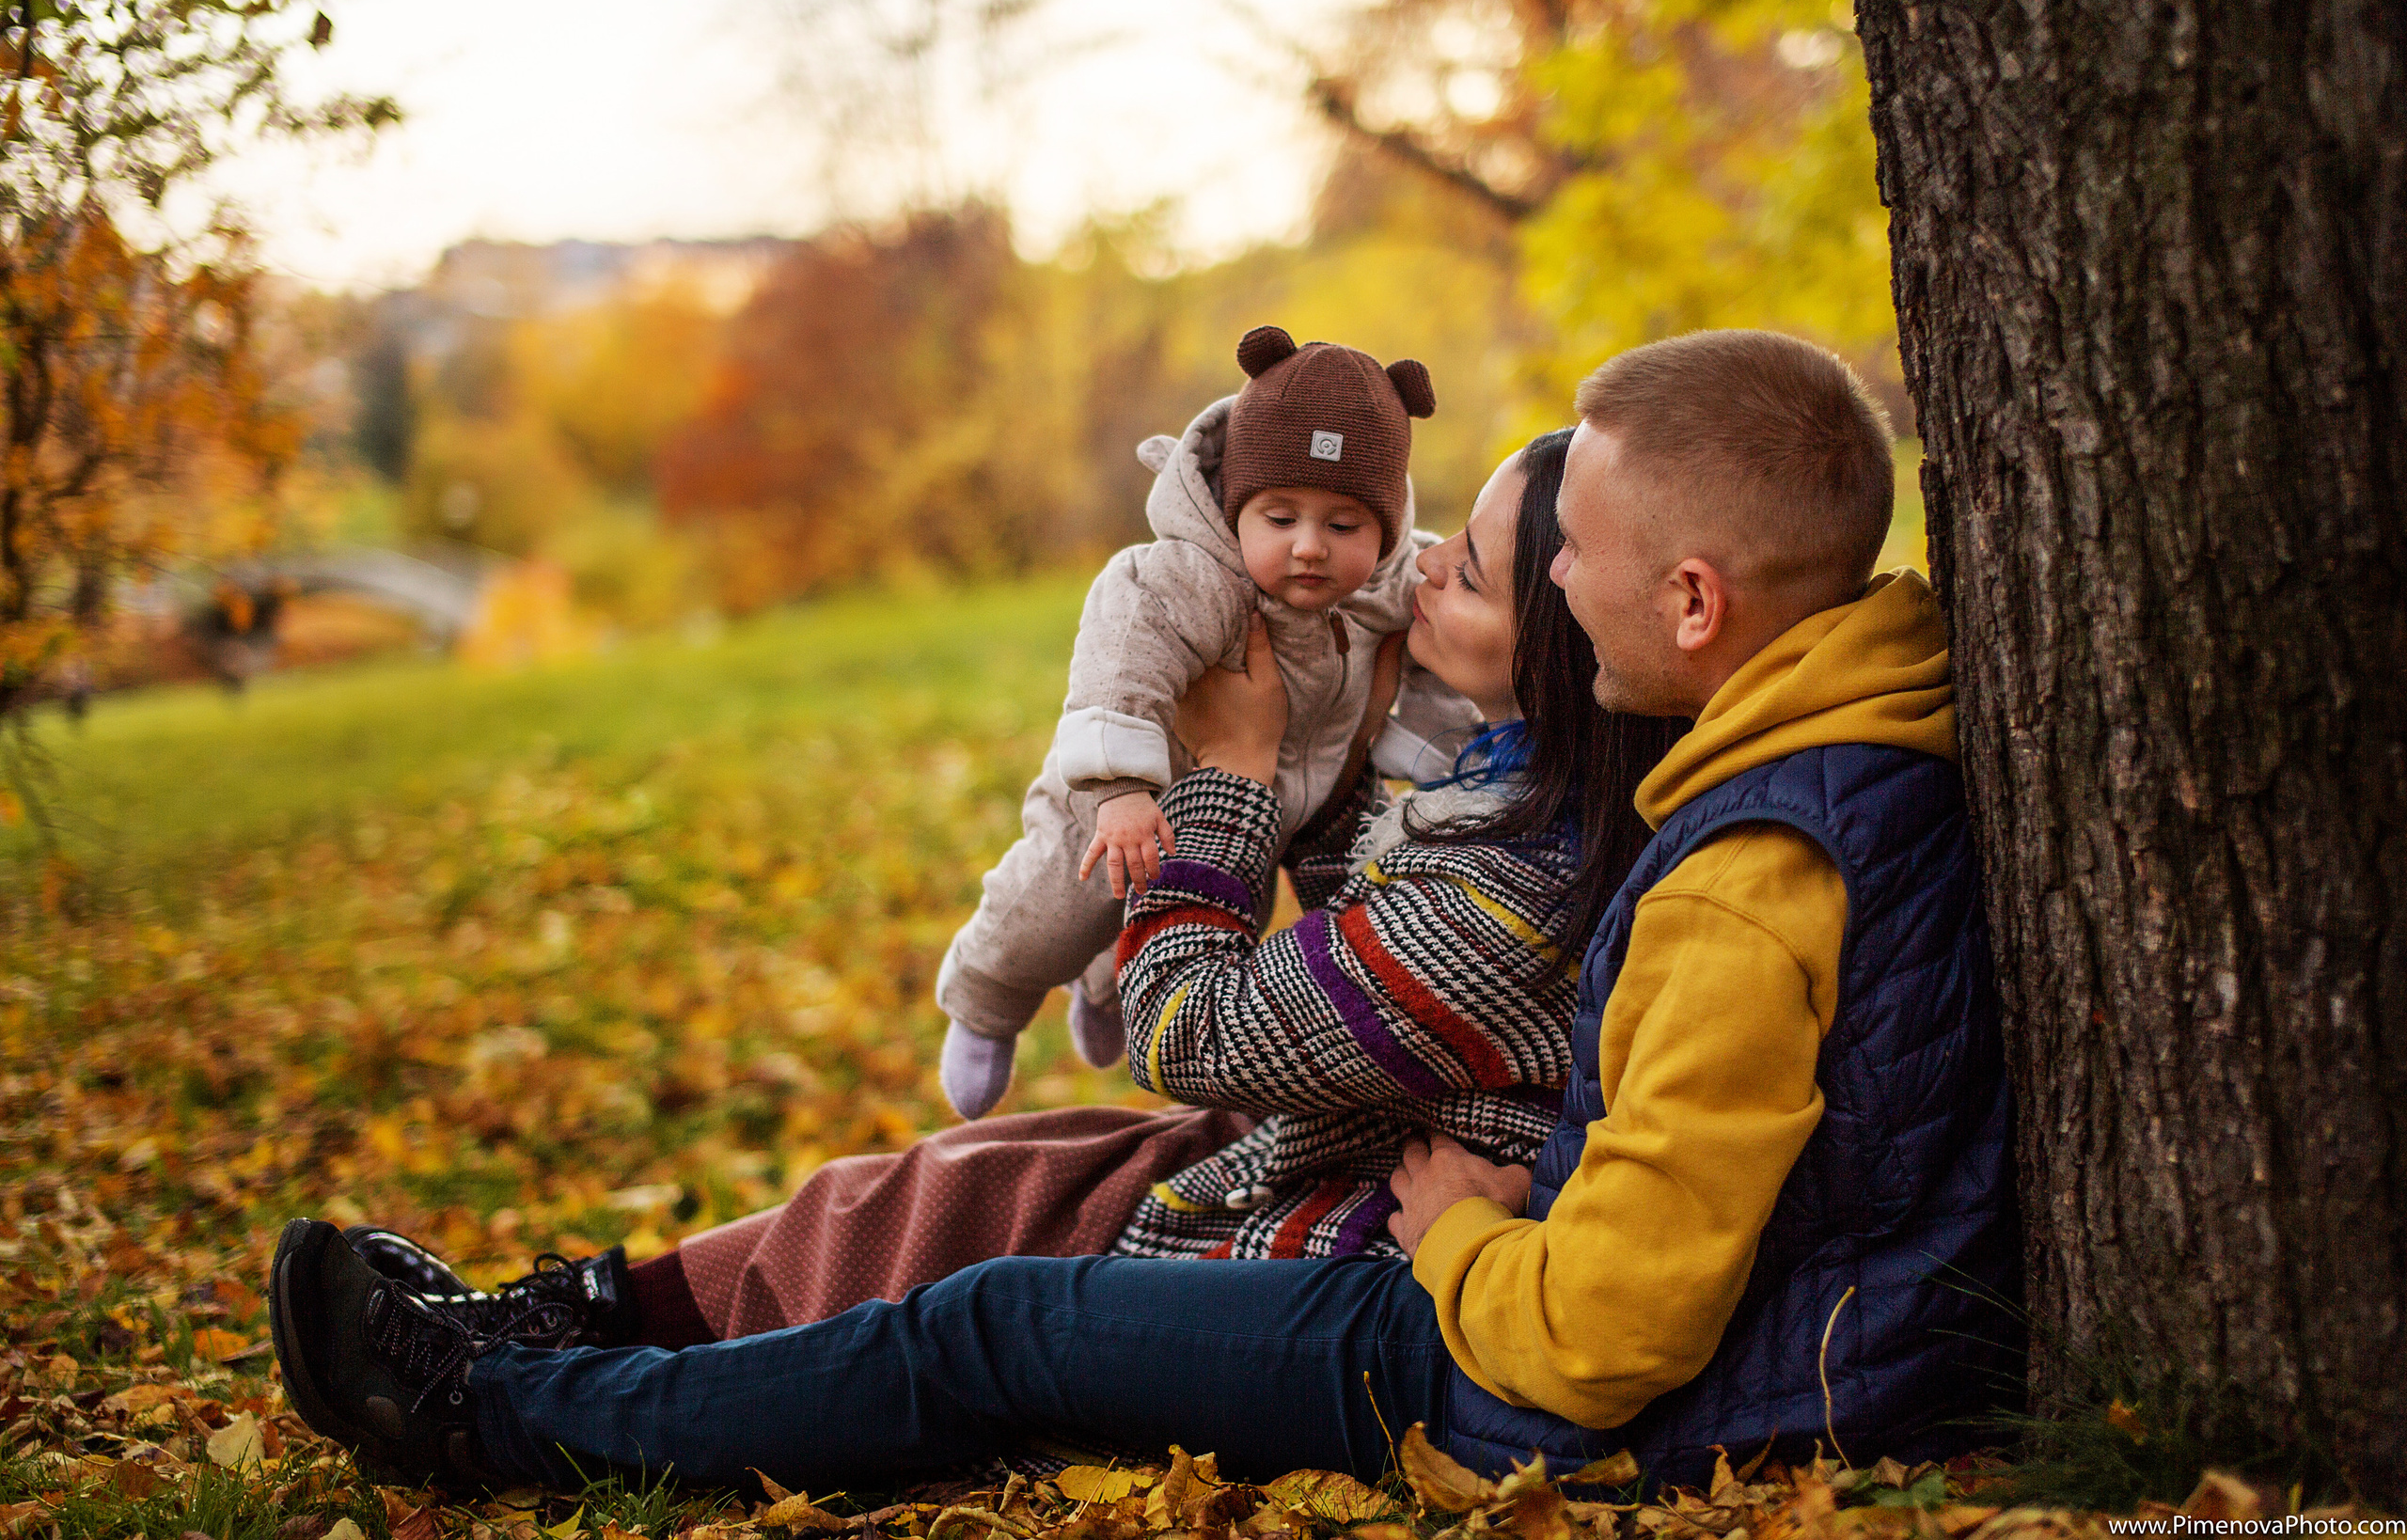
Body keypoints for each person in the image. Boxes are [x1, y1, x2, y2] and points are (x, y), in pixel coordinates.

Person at [268, 330, 2020, 1496]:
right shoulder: (1797, 740)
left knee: (997, 1320)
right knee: (1003, 1173)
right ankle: (559, 1319)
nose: (1473, 578)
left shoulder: (1730, 873)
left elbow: (1597, 1335)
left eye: (1524, 564)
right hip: (1470, 1239)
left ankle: (490, 1416)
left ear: (1691, 601)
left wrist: (1235, 792)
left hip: (1485, 1355)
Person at [326, 430, 1677, 1352]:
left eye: (1476, 569)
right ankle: (572, 1309)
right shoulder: (1499, 776)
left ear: (1558, 642)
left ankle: (533, 1381)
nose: (1426, 559)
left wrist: (1234, 769)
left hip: (1346, 1242)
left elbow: (1186, 1033)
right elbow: (1346, 939)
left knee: (960, 1248)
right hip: (1336, 1147)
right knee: (950, 1168)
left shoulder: (1515, 894)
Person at [935, 322, 1481, 1121]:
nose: (1308, 549)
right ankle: (984, 999)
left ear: (1389, 525)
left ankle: (1106, 985)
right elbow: (1121, 662)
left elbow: (1441, 656)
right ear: (1236, 508)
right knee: (1056, 909)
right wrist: (1119, 786)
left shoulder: (1392, 586)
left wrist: (1442, 752)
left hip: (1261, 816)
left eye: (1343, 525)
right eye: (1280, 516)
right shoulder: (1190, 579)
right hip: (1130, 798)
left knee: (1217, 931)